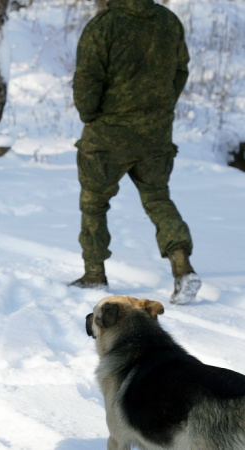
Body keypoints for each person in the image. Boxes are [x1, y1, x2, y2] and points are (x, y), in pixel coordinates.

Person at [71, 0, 200, 304]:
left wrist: (88, 114)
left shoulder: (104, 26)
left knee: (94, 202)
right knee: (157, 198)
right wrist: (160, 107)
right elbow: (180, 71)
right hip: (156, 135)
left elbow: (87, 78)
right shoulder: (169, 22)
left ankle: (94, 273)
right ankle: (182, 267)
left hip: (108, 136)